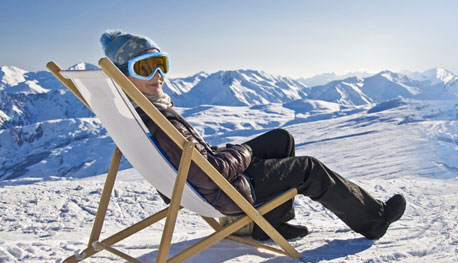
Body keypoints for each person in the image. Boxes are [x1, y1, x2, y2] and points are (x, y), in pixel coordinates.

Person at [100, 30, 405, 241]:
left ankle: (267, 224)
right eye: (145, 68)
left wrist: (226, 152)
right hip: (224, 191)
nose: (158, 76)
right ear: (124, 76)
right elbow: (211, 173)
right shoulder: (159, 120)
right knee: (308, 169)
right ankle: (375, 220)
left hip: (204, 182)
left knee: (280, 139)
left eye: (160, 64)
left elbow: (193, 161)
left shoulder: (137, 112)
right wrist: (242, 153)